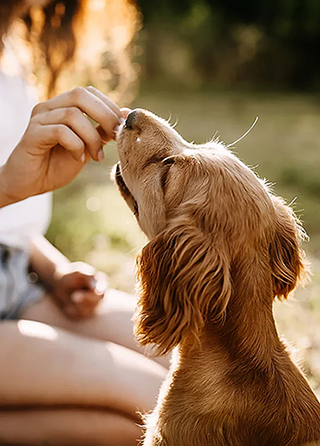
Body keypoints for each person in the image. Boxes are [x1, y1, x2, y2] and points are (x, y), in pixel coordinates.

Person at [0, 1, 168, 445]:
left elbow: (8, 226)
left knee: (192, 365)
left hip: (17, 282)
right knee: (161, 401)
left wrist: (53, 270)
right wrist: (5, 188)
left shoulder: (14, 49)